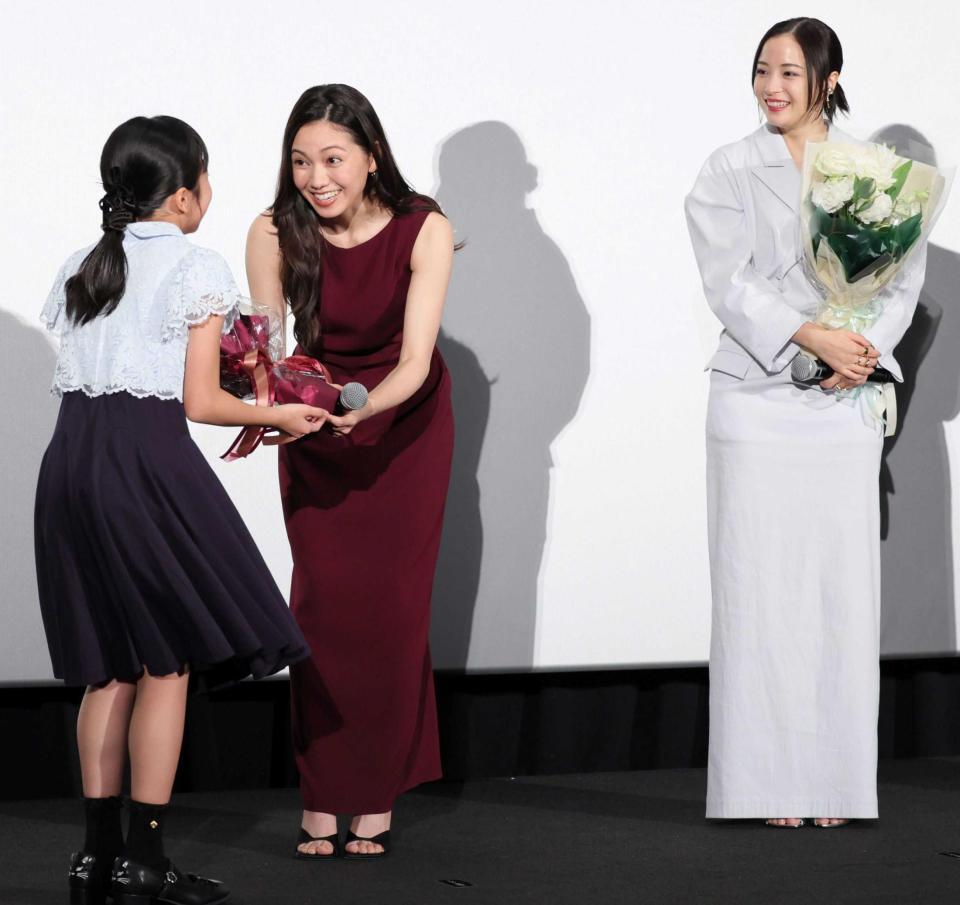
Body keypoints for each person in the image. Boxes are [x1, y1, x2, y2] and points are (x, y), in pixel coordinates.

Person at [35, 115, 321, 905]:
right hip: (142, 462)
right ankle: (146, 859)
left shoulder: (81, 264)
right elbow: (199, 402)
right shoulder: (195, 267)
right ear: (189, 194)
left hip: (69, 464)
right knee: (166, 661)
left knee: (108, 666)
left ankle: (95, 857)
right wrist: (280, 415)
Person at [684, 18, 927, 828]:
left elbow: (899, 281)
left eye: (791, 71)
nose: (772, 86)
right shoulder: (727, 168)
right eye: (762, 70)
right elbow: (728, 281)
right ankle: (764, 783)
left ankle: (832, 784)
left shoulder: (877, 175)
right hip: (754, 401)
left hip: (840, 403)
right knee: (757, 589)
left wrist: (855, 350)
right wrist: (808, 333)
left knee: (835, 590)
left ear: (828, 78)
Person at [246, 84, 455, 859]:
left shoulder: (423, 227)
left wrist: (364, 413)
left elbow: (414, 360)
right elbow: (266, 359)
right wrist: (273, 411)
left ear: (370, 157)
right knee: (324, 608)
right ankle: (324, 791)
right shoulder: (271, 230)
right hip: (316, 420)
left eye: (333, 157)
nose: (316, 175)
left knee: (394, 611)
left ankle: (373, 796)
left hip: (402, 423)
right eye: (301, 161)